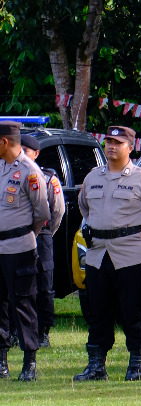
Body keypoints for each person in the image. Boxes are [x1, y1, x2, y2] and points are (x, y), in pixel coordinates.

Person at [73, 126, 141, 382]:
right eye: (108, 142)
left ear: (130, 147)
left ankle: (137, 361)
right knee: (98, 310)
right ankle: (96, 364)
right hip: (98, 254)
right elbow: (85, 207)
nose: (111, 146)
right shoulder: (93, 177)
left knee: (135, 309)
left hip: (132, 254)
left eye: (118, 142)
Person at [0, 121, 53, 380]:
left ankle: (29, 361)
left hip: (19, 246)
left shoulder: (30, 171)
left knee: (23, 303)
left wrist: (23, 234)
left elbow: (42, 213)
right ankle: (1, 360)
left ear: (4, 142)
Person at [19, 133, 64, 350]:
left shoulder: (47, 178)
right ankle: (13, 331)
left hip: (42, 236)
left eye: (25, 151)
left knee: (44, 287)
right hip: (15, 236)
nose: (20, 155)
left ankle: (43, 331)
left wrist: (44, 233)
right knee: (16, 285)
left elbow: (57, 212)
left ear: (36, 154)